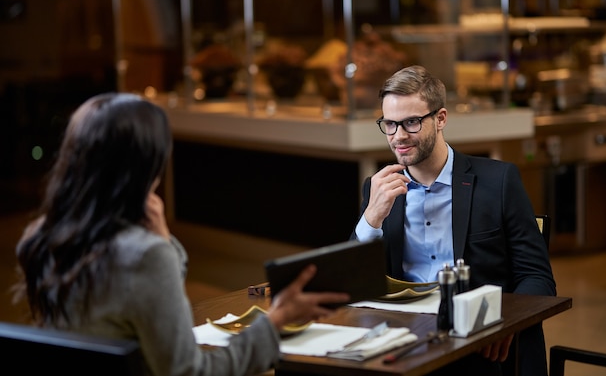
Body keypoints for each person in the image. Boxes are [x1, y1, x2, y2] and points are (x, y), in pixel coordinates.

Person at [13, 92, 349, 376]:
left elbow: (151, 300)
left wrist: (161, 239)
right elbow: (189, 371)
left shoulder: (40, 237)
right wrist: (274, 325)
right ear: (147, 164)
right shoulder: (144, 255)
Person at [350, 65, 556, 376]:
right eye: (390, 124)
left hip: (479, 343)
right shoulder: (378, 188)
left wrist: (502, 323)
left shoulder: (498, 181)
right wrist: (371, 218)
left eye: (412, 122)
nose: (399, 137)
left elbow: (538, 278)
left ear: (441, 118)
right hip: (407, 341)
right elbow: (349, 281)